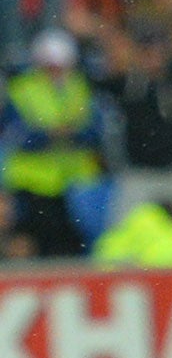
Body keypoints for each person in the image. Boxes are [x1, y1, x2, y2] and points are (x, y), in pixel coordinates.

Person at [3, 28, 108, 257]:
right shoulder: (23, 89)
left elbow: (95, 132)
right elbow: (15, 135)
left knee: (71, 246)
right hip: (33, 184)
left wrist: (68, 135)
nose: (55, 72)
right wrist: (52, 135)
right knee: (31, 244)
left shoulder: (80, 87)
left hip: (74, 185)